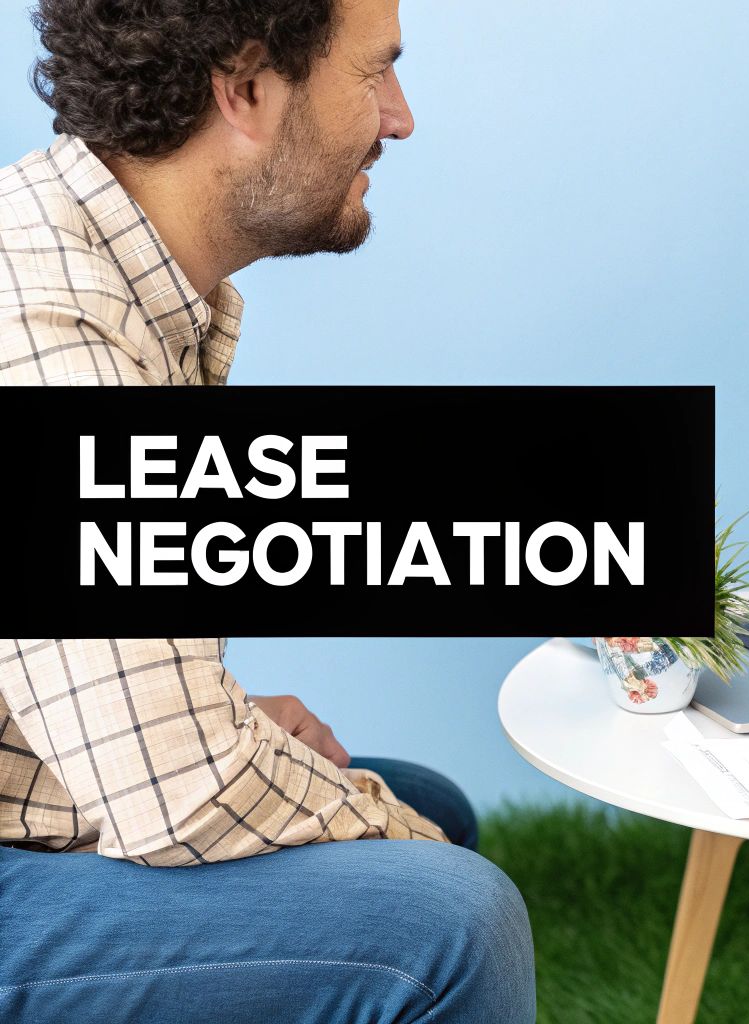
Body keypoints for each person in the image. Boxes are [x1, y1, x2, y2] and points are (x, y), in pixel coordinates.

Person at [0, 1, 535, 1021]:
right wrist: (385, 827)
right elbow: (175, 791)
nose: (402, 117)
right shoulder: (46, 334)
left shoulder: (103, 267)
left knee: (433, 808)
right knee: (446, 918)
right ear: (245, 89)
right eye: (372, 75)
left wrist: (220, 721)